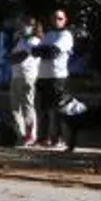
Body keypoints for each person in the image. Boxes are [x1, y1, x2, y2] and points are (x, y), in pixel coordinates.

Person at [32, 9, 74, 148]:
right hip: (43, 76)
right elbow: (35, 51)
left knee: (57, 110)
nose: (57, 20)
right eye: (55, 18)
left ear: (65, 20)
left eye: (60, 18)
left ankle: (58, 139)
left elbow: (52, 52)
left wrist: (44, 51)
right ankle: (42, 138)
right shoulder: (48, 35)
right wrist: (45, 51)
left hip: (58, 77)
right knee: (43, 109)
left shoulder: (66, 35)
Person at [7, 17, 42, 146]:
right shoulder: (20, 40)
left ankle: (31, 135)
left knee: (27, 106)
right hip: (15, 76)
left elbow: (21, 57)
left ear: (33, 27)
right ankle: (20, 135)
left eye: (27, 25)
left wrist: (13, 57)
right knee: (15, 108)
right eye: (22, 25)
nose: (23, 27)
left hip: (28, 77)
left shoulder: (35, 41)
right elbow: (11, 56)